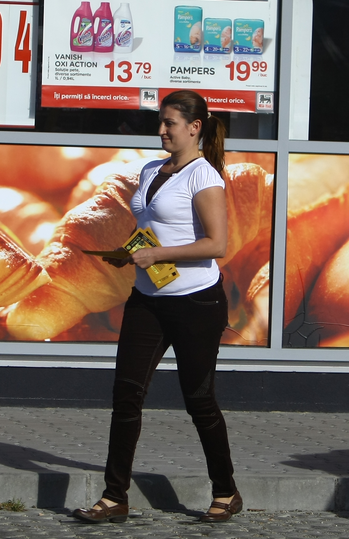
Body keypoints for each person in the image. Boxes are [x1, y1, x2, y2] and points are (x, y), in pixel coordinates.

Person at [73, 90, 241, 524]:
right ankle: (114, 497)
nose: (162, 130)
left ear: (194, 128)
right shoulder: (151, 169)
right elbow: (150, 225)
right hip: (147, 299)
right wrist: (130, 252)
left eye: (170, 123)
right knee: (126, 395)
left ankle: (226, 491)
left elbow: (217, 244)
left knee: (199, 401)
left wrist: (158, 255)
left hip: (196, 303)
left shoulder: (204, 176)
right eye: (161, 121)